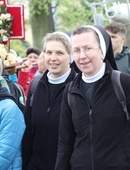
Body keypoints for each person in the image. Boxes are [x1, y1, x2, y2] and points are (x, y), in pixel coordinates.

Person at [55, 25, 130, 170]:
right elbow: (65, 142)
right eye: (76, 50)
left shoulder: (124, 84)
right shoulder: (70, 91)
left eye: (88, 48)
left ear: (102, 51)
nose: (82, 56)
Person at [22, 32, 77, 170]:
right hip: (36, 165)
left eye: (59, 53)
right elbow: (28, 130)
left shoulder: (78, 86)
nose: (53, 58)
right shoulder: (36, 84)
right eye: (48, 52)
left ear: (70, 57)